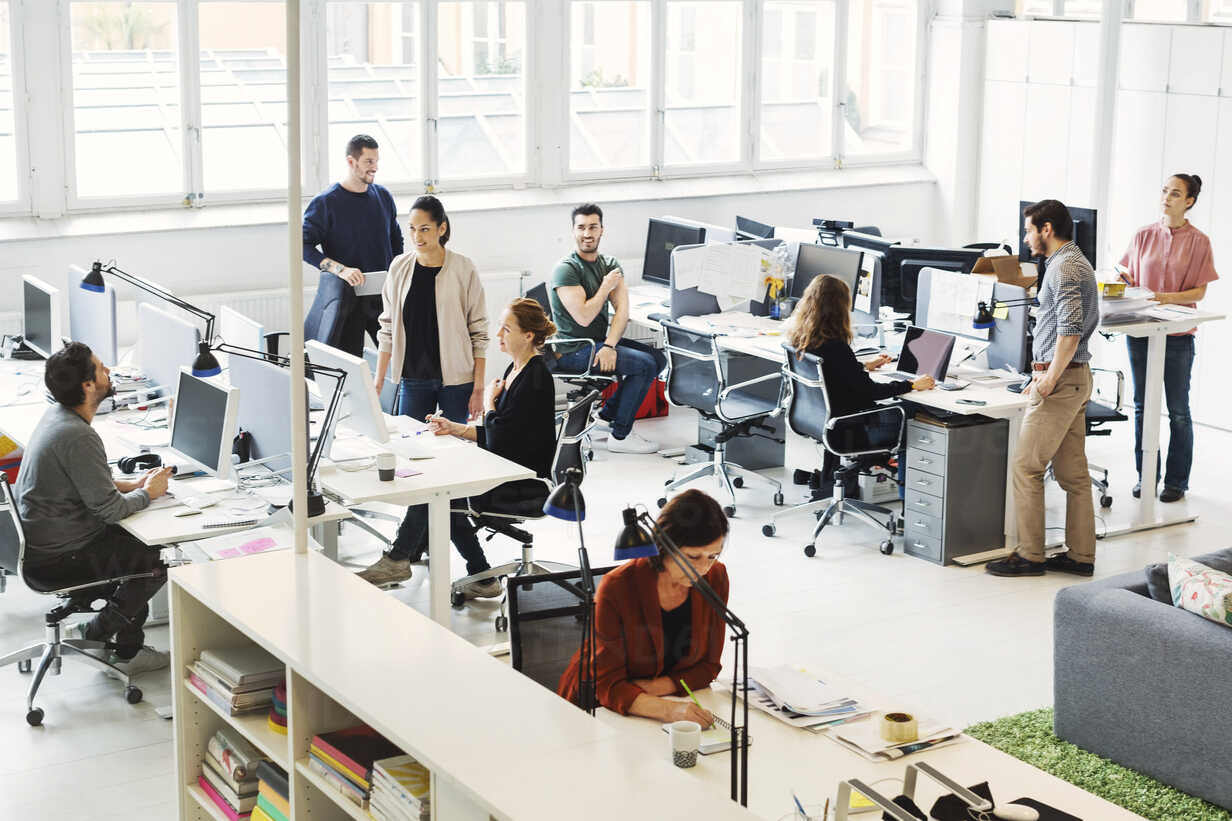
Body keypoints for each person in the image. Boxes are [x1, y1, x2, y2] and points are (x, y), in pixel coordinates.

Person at [358, 298, 555, 591]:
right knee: (444, 494)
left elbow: (501, 435)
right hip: (507, 462)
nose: (499, 335)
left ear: (528, 335)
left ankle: (400, 559)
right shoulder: (517, 370)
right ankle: (480, 576)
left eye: (506, 329)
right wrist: (456, 429)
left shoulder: (535, 378)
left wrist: (489, 401)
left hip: (522, 479)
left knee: (442, 493)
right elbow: (504, 433)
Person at [14, 342, 174, 675]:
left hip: (41, 540)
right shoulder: (78, 436)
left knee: (137, 544)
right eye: (102, 368)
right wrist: (149, 492)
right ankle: (107, 641)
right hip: (60, 557)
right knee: (156, 559)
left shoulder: (57, 416)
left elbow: (80, 480)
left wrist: (127, 485)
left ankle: (119, 643)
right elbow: (112, 511)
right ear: (88, 386)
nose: (109, 372)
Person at [987, 199, 1098, 578]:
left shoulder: (1065, 268)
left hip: (1061, 381)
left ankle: (1030, 555)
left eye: (1028, 229)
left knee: (1025, 466)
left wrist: (1048, 378)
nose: (1025, 236)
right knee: (1073, 475)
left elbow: (1069, 330)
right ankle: (1081, 556)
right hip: (1072, 378)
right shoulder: (1069, 262)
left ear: (1046, 229)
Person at [558, 489, 729, 724]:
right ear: (663, 547)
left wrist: (658, 687)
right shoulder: (617, 587)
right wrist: (670, 711)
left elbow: (709, 666)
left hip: (657, 700)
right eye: (692, 557)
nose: (703, 569)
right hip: (595, 708)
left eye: (713, 556)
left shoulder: (715, 578)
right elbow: (607, 684)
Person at [1118, 173, 1219, 504]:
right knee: (1142, 407)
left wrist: (1163, 297)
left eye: (1175, 193)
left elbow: (1199, 292)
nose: (1166, 197)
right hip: (1141, 332)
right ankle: (1145, 474)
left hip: (1176, 337)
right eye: (1164, 191)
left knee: (1178, 410)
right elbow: (1129, 276)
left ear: (1189, 201)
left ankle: (1176, 481)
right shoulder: (1143, 235)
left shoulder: (1199, 241)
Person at [787, 274, 934, 495]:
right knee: (918, 413)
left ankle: (835, 486)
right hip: (851, 425)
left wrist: (863, 366)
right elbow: (871, 392)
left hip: (821, 420)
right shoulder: (836, 346)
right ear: (840, 308)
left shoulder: (802, 337)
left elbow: (833, 372)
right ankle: (909, 499)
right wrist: (911, 386)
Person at [547, 203, 667, 455]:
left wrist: (610, 345)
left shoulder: (610, 263)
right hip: (573, 349)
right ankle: (620, 436)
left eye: (593, 227)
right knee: (643, 365)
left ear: (602, 230)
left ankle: (608, 415)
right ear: (573, 231)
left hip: (599, 342)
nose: (587, 234)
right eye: (581, 227)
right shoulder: (566, 269)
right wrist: (604, 287)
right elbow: (584, 317)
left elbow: (623, 310)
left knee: (657, 358)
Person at [373, 195, 488, 423]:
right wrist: (377, 383)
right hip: (413, 377)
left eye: (424, 229)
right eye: (413, 229)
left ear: (441, 228)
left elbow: (479, 332)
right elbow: (387, 329)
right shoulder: (399, 267)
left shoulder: (464, 268)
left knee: (454, 447)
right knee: (411, 444)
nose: (417, 237)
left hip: (457, 380)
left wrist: (478, 388)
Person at [303, 134, 404, 357]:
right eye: (369, 161)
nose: (375, 167)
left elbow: (396, 240)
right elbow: (303, 246)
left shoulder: (383, 197)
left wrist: (397, 273)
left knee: (401, 359)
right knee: (349, 364)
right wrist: (341, 270)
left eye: (377, 161)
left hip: (383, 296)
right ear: (351, 162)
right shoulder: (326, 202)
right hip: (347, 300)